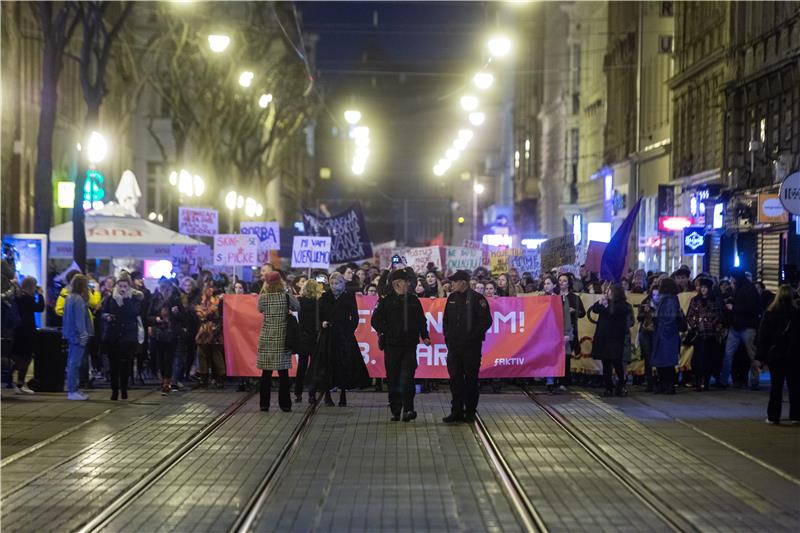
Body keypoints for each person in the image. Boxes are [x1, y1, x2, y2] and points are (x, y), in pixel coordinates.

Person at [371, 269, 431, 422]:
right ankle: (396, 410)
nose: (408, 284)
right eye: (405, 281)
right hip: (392, 346)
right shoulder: (385, 301)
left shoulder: (413, 300)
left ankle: (409, 409)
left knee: (408, 377)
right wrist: (387, 331)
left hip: (409, 345)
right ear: (397, 283)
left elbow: (421, 321)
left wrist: (425, 336)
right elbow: (375, 321)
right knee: (393, 378)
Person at [308, 272, 370, 406]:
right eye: (332, 283)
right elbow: (318, 316)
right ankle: (327, 395)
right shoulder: (324, 297)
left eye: (337, 283)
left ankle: (343, 394)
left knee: (344, 364)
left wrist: (348, 330)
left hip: (343, 335)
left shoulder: (349, 297)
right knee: (326, 364)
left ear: (343, 284)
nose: (334, 286)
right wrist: (322, 324)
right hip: (328, 335)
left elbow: (355, 317)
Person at [442, 270, 493, 423]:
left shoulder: (478, 299)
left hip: (471, 348)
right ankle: (456, 411)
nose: (452, 284)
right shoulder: (451, 298)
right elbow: (446, 321)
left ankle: (470, 411)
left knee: (471, 380)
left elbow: (486, 321)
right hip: (454, 347)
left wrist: (472, 336)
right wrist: (448, 337)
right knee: (455, 380)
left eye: (455, 281)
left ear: (463, 283)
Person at [758, 285, 799, 425]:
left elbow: (763, 336)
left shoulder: (770, 313)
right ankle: (796, 415)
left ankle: (773, 416)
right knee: (794, 386)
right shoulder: (796, 313)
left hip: (776, 354)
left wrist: (761, 357)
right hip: (793, 354)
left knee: (776, 386)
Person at [99, 272, 143, 401]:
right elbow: (102, 313)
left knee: (125, 364)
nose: (122, 288)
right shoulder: (110, 298)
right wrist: (107, 316)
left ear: (129, 286)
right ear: (116, 285)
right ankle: (114, 390)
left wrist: (126, 299)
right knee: (114, 365)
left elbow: (134, 312)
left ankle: (124, 390)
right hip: (113, 335)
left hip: (128, 336)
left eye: (125, 286)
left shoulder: (134, 298)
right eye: (120, 285)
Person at [588, 283, 633, 397]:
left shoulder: (623, 305)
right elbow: (595, 309)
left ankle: (621, 383)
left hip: (615, 339)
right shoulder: (605, 303)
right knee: (606, 364)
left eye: (609, 291)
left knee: (617, 362)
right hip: (603, 338)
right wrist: (600, 302)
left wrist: (606, 305)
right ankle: (608, 387)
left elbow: (615, 313)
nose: (607, 293)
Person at [257, 271, 292, 412]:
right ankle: (285, 405)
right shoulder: (286, 296)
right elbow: (297, 307)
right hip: (282, 338)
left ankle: (264, 404)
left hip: (266, 338)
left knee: (266, 374)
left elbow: (259, 309)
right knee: (283, 374)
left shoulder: (263, 298)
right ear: (280, 281)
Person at [721, 269, 762, 390]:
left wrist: (733, 307)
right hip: (741, 326)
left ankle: (724, 380)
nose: (731, 280)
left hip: (744, 326)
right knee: (750, 355)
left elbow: (750, 306)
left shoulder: (746, 288)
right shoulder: (745, 287)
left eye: (732, 277)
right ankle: (753, 381)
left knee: (736, 354)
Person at [148, 277, 185, 395]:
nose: (164, 291)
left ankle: (167, 382)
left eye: (166, 288)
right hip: (159, 332)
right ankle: (164, 379)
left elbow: (183, 317)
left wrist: (177, 313)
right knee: (160, 358)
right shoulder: (155, 299)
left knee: (168, 358)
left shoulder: (175, 299)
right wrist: (156, 319)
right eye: (162, 288)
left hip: (171, 332)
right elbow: (148, 316)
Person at [686, 277, 723, 391]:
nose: (703, 290)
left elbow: (718, 315)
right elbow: (689, 315)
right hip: (699, 333)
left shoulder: (714, 300)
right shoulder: (695, 300)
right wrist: (695, 325)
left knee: (709, 359)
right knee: (698, 359)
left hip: (710, 334)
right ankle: (697, 381)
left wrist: (711, 324)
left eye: (705, 288)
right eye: (701, 287)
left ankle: (706, 381)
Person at [62, 274, 94, 400]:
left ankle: (72, 389)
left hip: (70, 334)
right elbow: (79, 320)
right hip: (78, 336)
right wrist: (83, 334)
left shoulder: (69, 298)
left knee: (71, 362)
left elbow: (67, 318)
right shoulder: (79, 300)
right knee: (75, 363)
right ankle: (72, 390)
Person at [10, 277, 44, 394]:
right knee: (25, 358)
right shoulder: (27, 298)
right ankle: (19, 383)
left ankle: (15, 382)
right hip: (27, 331)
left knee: (17, 357)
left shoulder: (19, 296)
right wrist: (40, 295)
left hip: (19, 330)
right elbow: (40, 307)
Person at [651, 278, 685, 394]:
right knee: (663, 361)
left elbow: (670, 318)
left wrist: (659, 324)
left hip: (666, 334)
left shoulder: (669, 300)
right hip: (665, 334)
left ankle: (668, 385)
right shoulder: (668, 299)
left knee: (666, 362)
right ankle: (665, 384)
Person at [296, 279, 323, 404]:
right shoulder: (318, 302)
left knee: (301, 365)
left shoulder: (300, 301)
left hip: (302, 336)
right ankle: (312, 394)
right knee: (314, 366)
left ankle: (298, 393)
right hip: (315, 337)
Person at [195, 283, 225, 388]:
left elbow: (217, 314)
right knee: (201, 353)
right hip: (203, 330)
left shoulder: (219, 300)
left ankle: (220, 377)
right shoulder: (201, 299)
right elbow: (199, 313)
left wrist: (209, 311)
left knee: (216, 354)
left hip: (215, 329)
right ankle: (203, 377)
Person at [558, 273, 585, 389]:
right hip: (556, 329)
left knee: (566, 356)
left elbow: (582, 313)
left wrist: (574, 311)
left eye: (564, 280)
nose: (561, 282)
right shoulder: (555, 296)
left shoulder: (574, 298)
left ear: (568, 283)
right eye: (560, 280)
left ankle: (565, 381)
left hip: (569, 329)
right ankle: (556, 379)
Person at [637, 284, 658, 392]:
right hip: (646, 332)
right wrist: (645, 311)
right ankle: (649, 382)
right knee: (647, 357)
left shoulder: (661, 304)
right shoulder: (645, 302)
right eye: (654, 294)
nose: (655, 296)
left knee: (657, 356)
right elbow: (639, 317)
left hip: (656, 332)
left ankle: (657, 381)